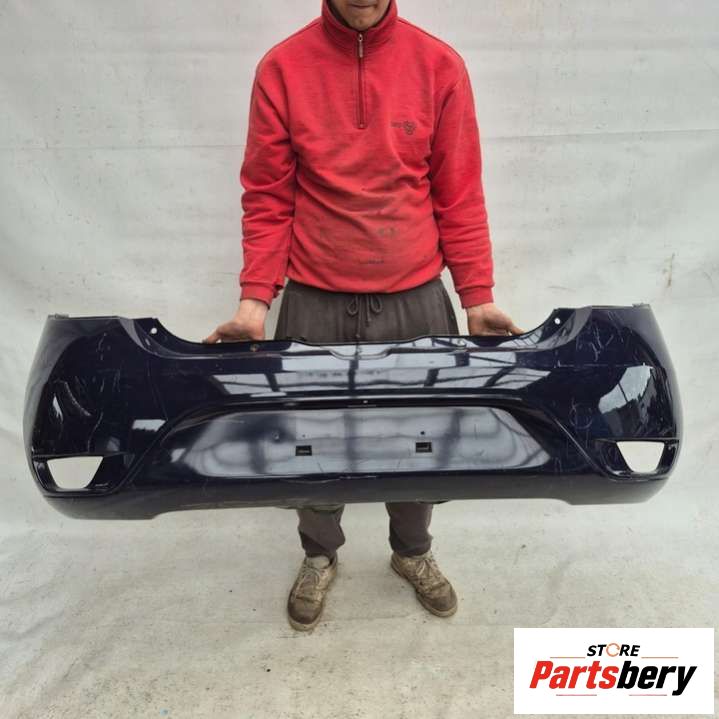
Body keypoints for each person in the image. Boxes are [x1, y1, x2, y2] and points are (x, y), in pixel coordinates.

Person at [204, 0, 522, 631]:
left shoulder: (439, 65)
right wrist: (254, 301)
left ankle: (412, 552)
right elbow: (267, 197)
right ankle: (319, 555)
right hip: (314, 299)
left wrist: (477, 296)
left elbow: (459, 191)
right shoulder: (283, 68)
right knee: (309, 443)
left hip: (415, 298)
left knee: (420, 440)